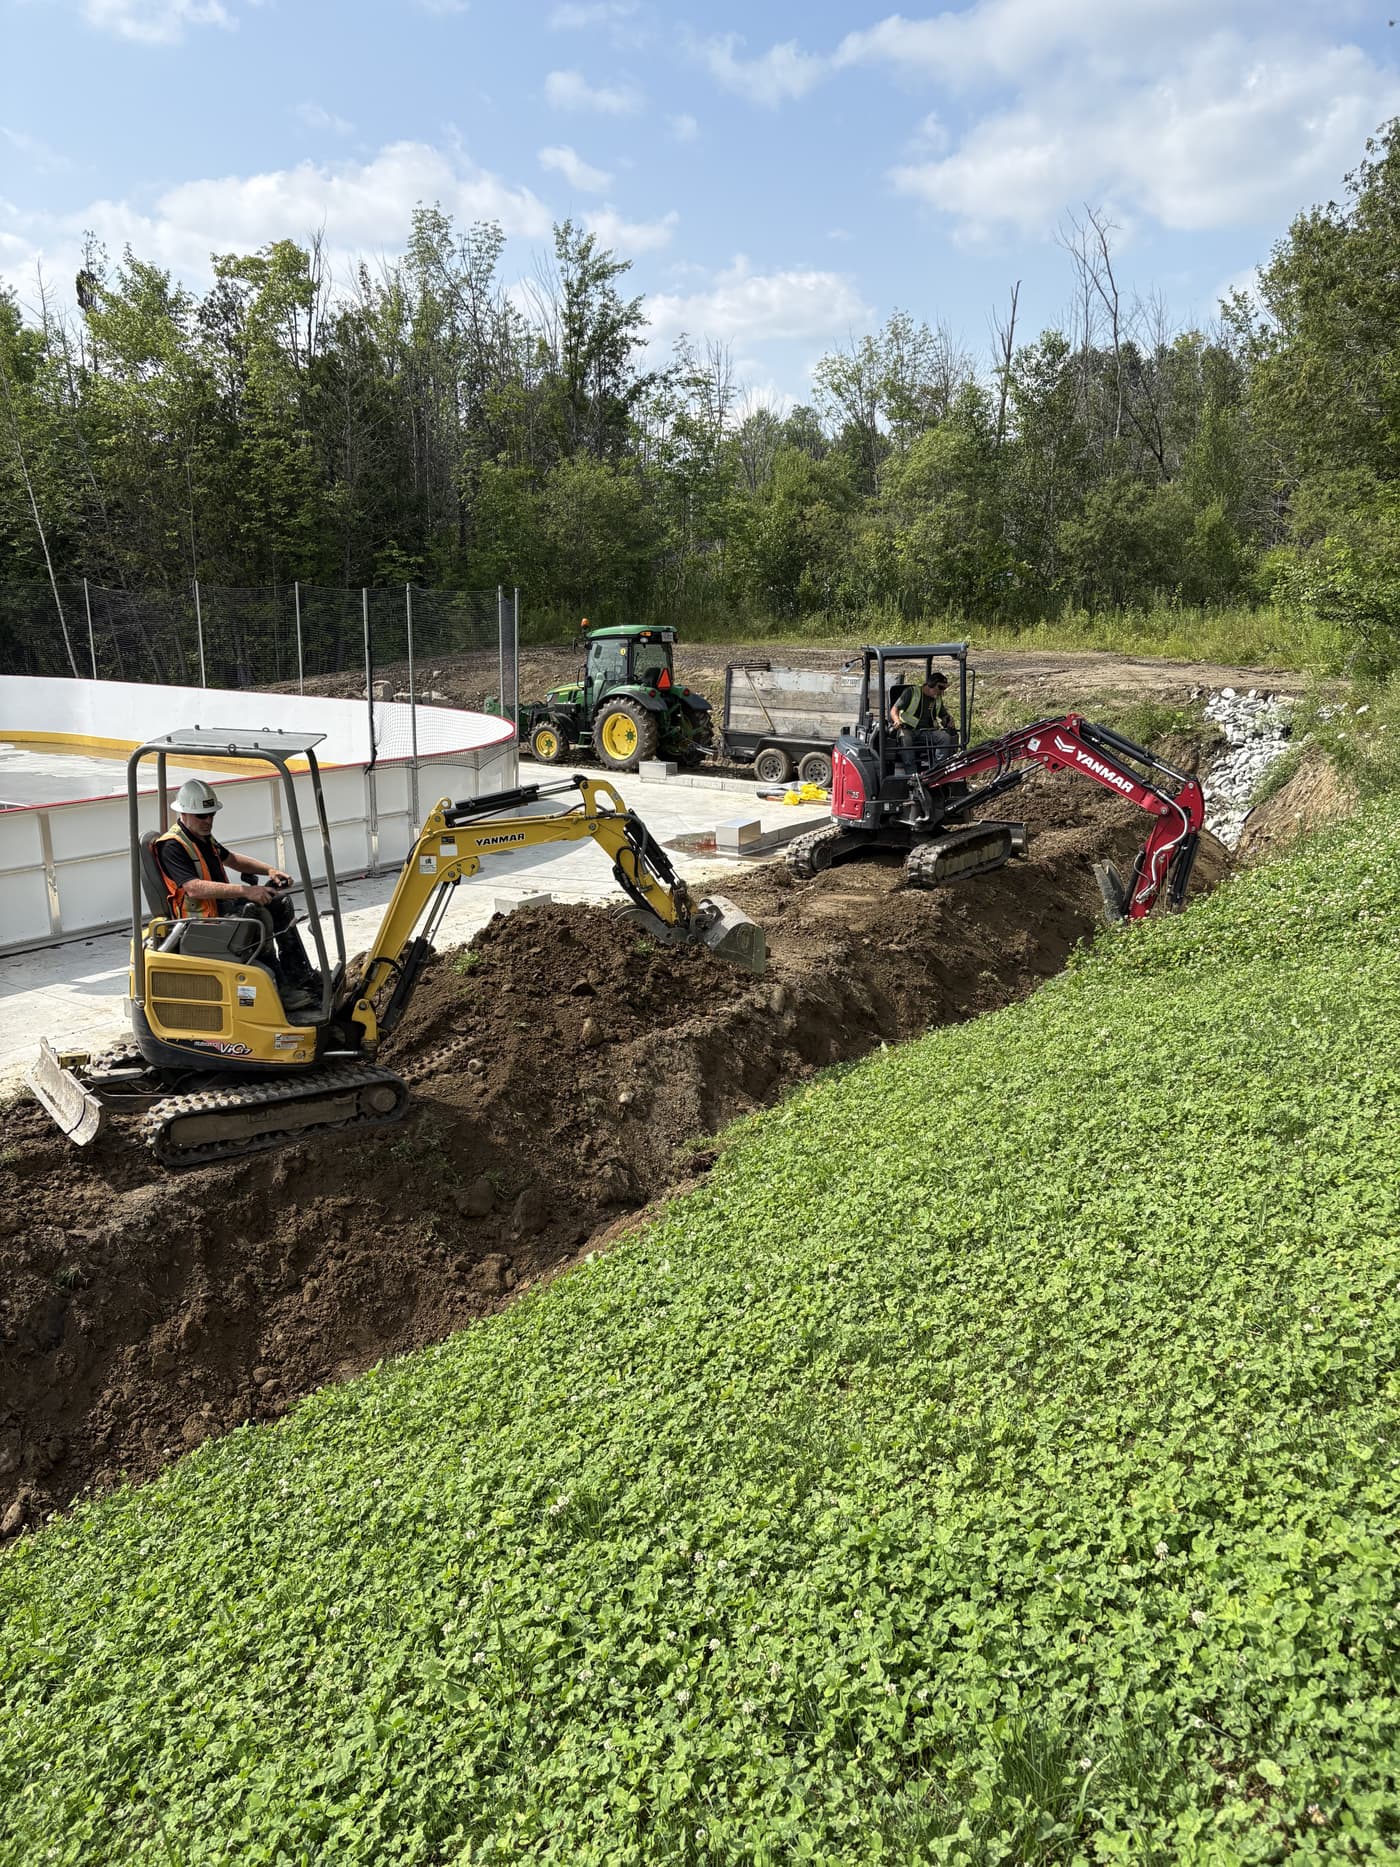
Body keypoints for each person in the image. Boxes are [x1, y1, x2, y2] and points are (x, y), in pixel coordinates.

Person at [152, 778, 320, 1012]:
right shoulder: (171, 846)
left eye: (211, 814)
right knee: (258, 915)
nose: (208, 820)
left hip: (220, 909)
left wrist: (269, 870)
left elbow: (232, 860)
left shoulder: (201, 838)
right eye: (202, 816)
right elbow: (193, 888)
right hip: (202, 923)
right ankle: (281, 989)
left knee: (280, 901)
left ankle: (299, 974)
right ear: (184, 813)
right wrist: (246, 891)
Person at [889, 669, 954, 768]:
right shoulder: (911, 693)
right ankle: (911, 772)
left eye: (944, 689)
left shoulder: (937, 699)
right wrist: (897, 721)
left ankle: (937, 769)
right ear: (931, 683)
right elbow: (894, 710)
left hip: (927, 732)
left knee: (945, 737)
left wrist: (948, 720)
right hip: (907, 729)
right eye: (940, 687)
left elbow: (943, 714)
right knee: (905, 738)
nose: (941, 692)